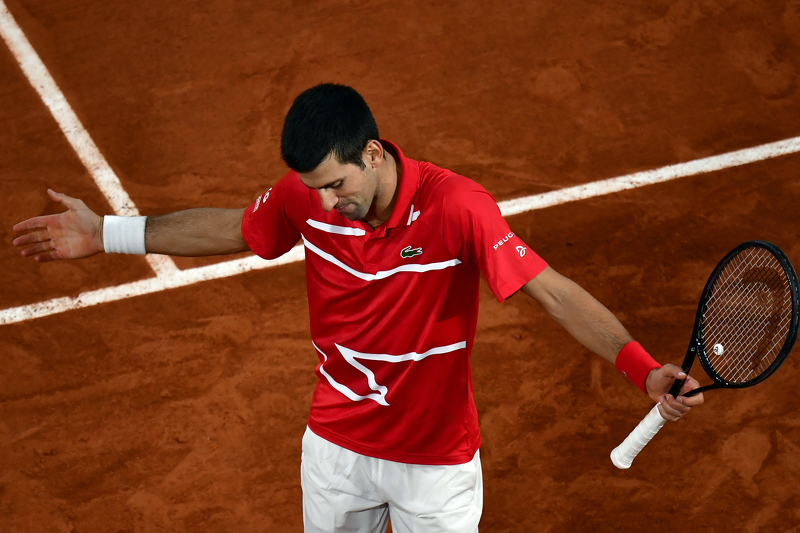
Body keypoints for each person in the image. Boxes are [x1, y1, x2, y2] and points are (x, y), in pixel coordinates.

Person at [13, 83, 704, 533]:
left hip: (436, 465)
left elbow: (551, 290)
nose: (323, 204)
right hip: (338, 450)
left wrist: (642, 369)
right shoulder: (307, 198)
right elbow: (231, 228)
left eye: (336, 184)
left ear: (373, 153)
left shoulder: (457, 207)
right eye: (311, 188)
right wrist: (107, 234)